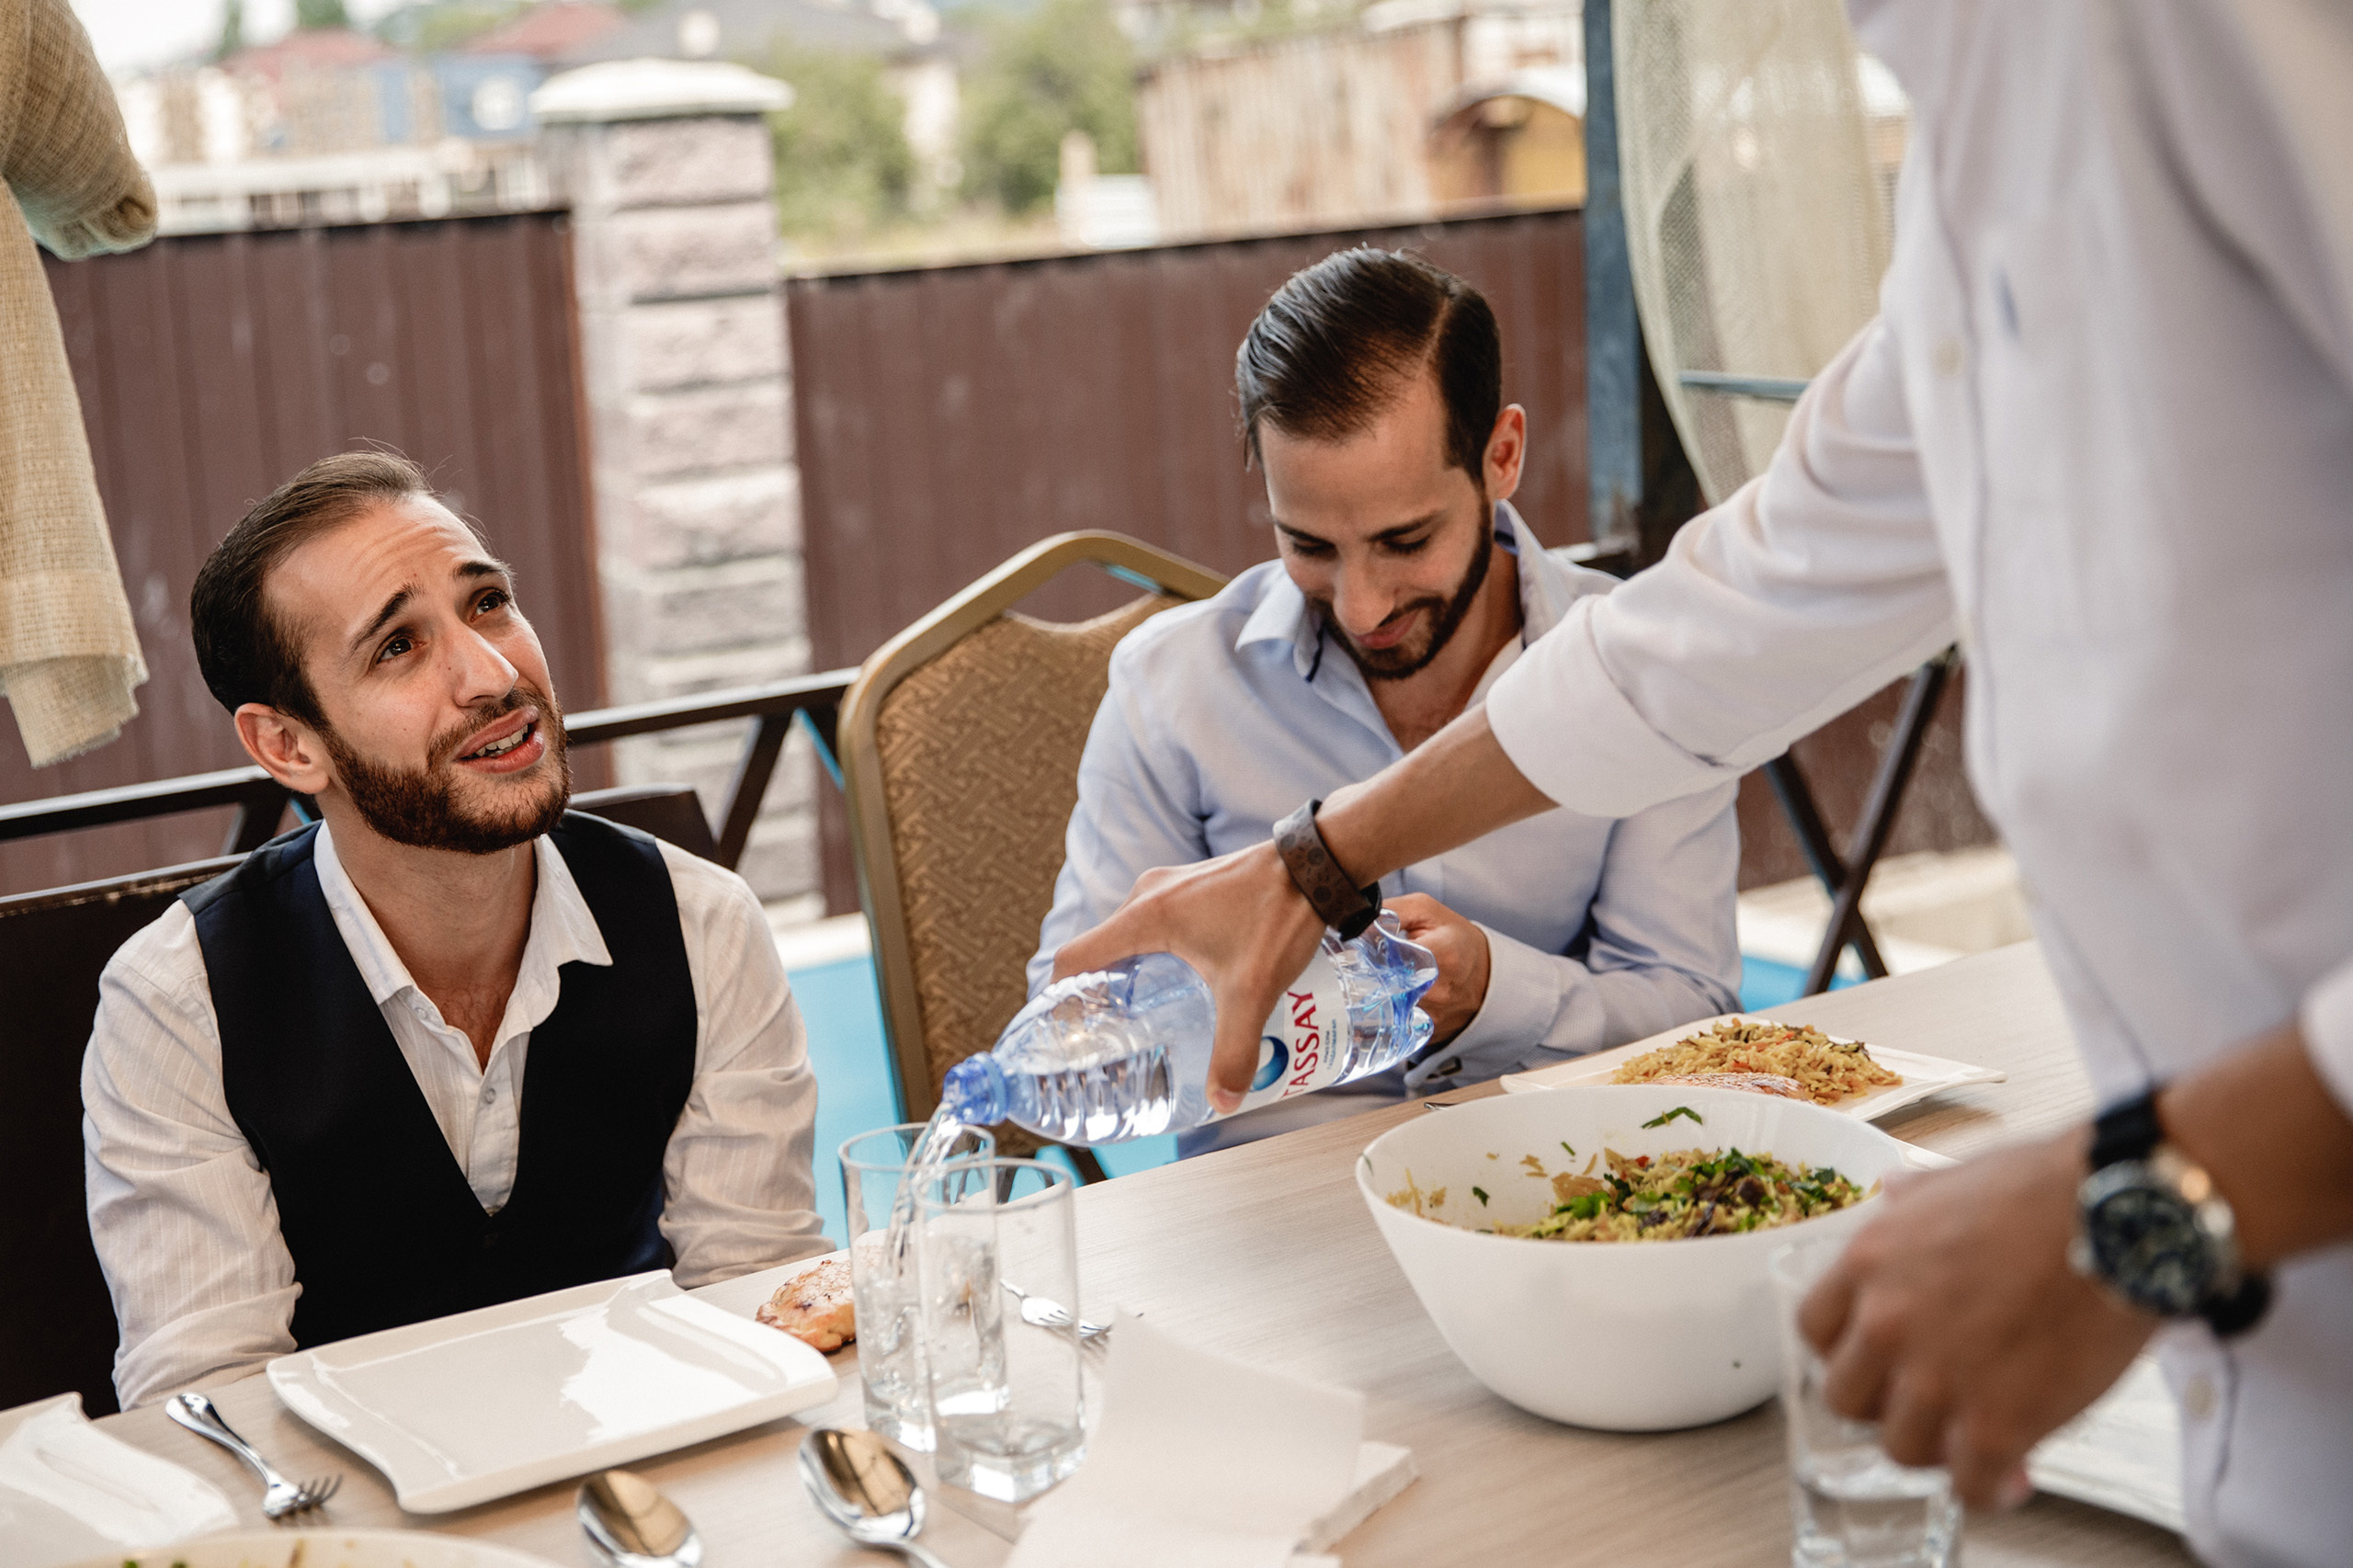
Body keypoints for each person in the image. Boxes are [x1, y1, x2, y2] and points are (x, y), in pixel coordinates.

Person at [1052, 7, 2353, 1564]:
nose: (1362, 595)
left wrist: (2130, 1210)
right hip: (2255, 1397)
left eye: (1404, 538)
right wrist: (1322, 858)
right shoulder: (1978, 135)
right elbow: (1722, 628)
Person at [82, 452, 829, 1408]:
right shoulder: (176, 1005)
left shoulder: (703, 922)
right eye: (397, 645)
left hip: (658, 1476)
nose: (493, 672)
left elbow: (761, 1296)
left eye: (487, 604)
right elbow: (210, 1398)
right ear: (289, 744)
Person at [1028, 248, 1740, 1155]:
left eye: (1406, 539)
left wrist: (1492, 990)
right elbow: (1069, 1024)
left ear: (1502, 456)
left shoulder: (1635, 670)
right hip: (1264, 1226)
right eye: (1308, 543)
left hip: (1557, 1190)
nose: (1362, 605)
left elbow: (1695, 1014)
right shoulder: (1170, 687)